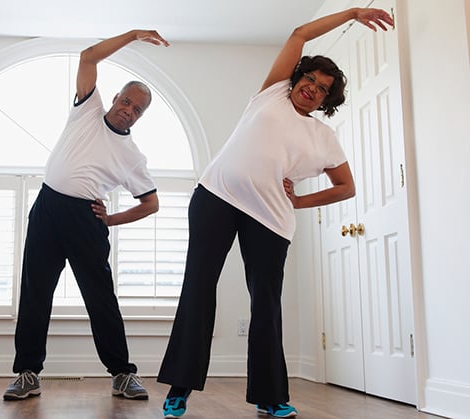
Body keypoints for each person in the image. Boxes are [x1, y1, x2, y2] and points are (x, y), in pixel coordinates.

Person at [156, 7, 394, 418]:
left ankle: (270, 397)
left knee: (265, 303)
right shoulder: (272, 92)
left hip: (270, 218)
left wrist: (299, 201)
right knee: (198, 287)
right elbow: (300, 33)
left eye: (322, 90)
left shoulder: (323, 137)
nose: (311, 89)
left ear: (326, 101)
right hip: (216, 196)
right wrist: (353, 12)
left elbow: (347, 187)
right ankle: (180, 388)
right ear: (299, 77)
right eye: (310, 80)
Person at [2, 30, 169, 402]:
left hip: (85, 220)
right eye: (126, 101)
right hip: (47, 210)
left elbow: (151, 203)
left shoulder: (132, 156)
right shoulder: (87, 109)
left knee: (100, 298)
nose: (129, 109)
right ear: (115, 98)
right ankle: (28, 374)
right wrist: (135, 34)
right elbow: (89, 56)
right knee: (35, 294)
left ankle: (122, 374)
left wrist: (111, 220)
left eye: (137, 109)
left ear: (141, 116)